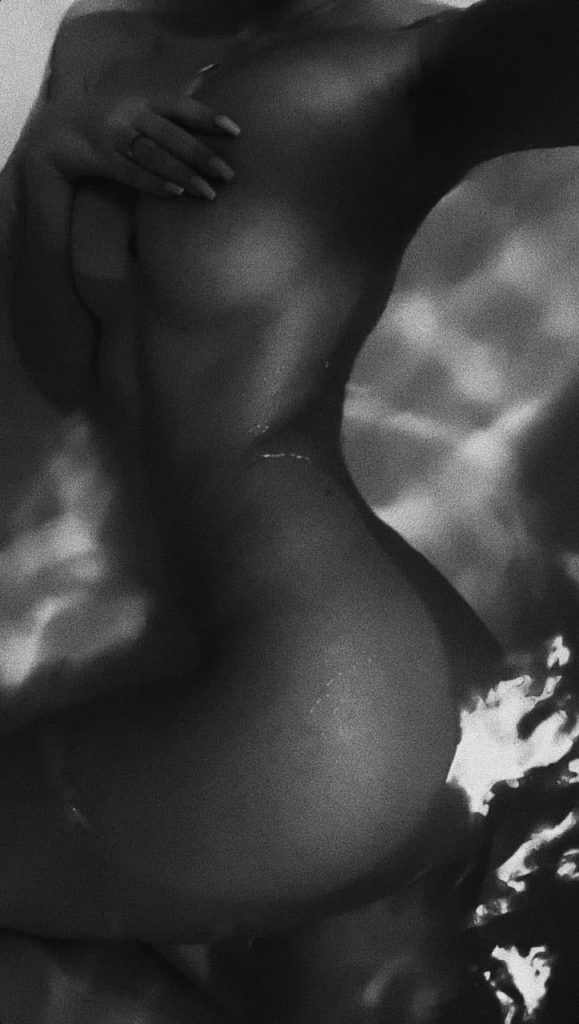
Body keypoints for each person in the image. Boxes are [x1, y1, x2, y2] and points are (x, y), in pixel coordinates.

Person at [1, 0, 578, 1018]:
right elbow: (69, 367)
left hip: (327, 704)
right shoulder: (96, 43)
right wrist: (46, 173)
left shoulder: (390, 81)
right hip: (352, 678)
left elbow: (517, 62)